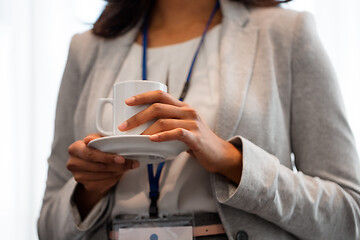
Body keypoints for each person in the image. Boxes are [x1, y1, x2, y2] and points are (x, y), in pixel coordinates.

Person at [38, 0, 360, 239]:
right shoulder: (87, 48)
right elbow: (47, 226)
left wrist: (234, 162)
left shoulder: (288, 34)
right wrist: (87, 192)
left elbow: (349, 216)